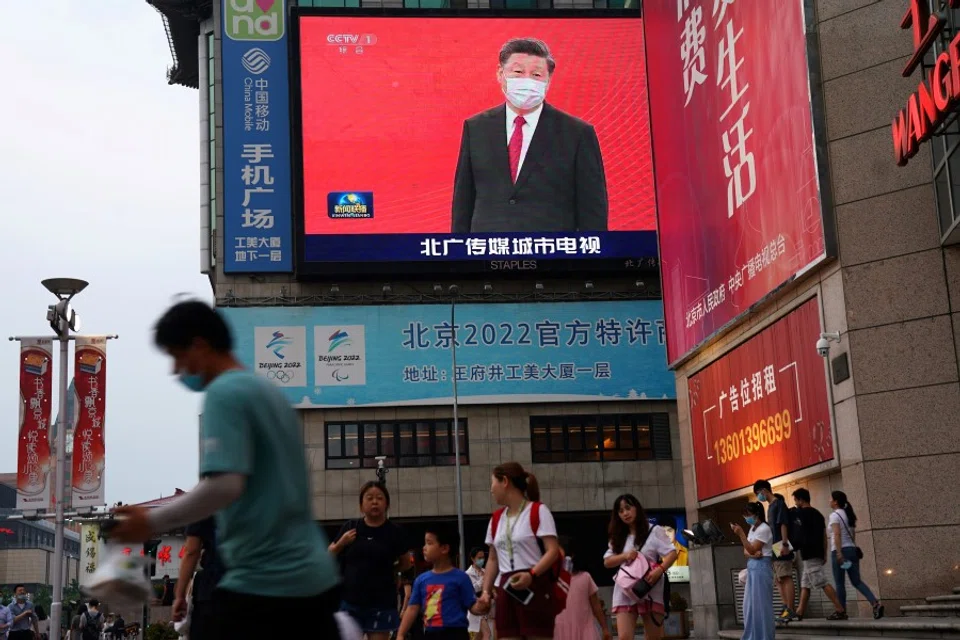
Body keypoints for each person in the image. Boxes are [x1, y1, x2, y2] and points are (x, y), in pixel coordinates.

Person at [109, 299, 343, 639]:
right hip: (313, 580)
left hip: (262, 583)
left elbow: (223, 486)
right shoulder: (270, 394)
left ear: (200, 345)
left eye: (177, 355)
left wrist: (150, 522)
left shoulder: (225, 393)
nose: (176, 370)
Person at [451, 37, 608, 234]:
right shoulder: (476, 128)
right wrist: (458, 254)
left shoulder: (577, 133)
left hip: (552, 254)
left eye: (536, 74)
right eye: (518, 72)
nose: (527, 80)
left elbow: (593, 209)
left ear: (548, 80)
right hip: (488, 252)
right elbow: (463, 201)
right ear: (501, 74)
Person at [479, 462, 561, 640]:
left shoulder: (538, 511)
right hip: (506, 586)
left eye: (493, 483)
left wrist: (531, 574)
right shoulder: (496, 519)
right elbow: (493, 559)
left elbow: (553, 551)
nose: (491, 489)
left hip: (535, 583)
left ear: (505, 482)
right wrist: (486, 592)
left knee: (537, 635)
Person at [330, 481, 413, 640]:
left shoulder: (395, 532)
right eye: (369, 498)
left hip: (381, 602)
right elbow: (329, 554)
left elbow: (406, 562)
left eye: (379, 498)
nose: (374, 502)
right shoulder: (350, 527)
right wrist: (341, 543)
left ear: (386, 504)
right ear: (361, 505)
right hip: (350, 601)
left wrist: (393, 572)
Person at [603, 494, 678, 640]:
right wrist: (625, 556)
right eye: (621, 511)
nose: (625, 513)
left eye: (628, 508)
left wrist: (659, 571)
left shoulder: (654, 531)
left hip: (650, 586)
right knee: (624, 637)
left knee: (653, 637)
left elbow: (672, 554)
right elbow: (607, 561)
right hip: (625, 589)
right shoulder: (618, 536)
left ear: (636, 508)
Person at [397, 527, 488, 640]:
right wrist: (400, 634)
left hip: (457, 634)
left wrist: (482, 606)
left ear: (444, 548)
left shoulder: (461, 578)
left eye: (429, 543)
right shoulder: (421, 580)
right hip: (431, 633)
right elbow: (412, 609)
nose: (424, 548)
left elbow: (472, 606)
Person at [790, 488, 845, 620]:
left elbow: (798, 535)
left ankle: (840, 609)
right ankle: (799, 612)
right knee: (805, 584)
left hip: (808, 553)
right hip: (817, 553)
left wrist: (789, 547)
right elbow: (823, 536)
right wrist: (824, 554)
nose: (796, 503)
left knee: (821, 581)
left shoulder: (801, 515)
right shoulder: (818, 514)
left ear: (801, 499)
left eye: (796, 500)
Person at [829, 491, 884, 619]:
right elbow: (853, 535)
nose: (829, 501)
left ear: (836, 501)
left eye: (830, 499)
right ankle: (874, 603)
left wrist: (838, 553)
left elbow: (837, 534)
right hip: (852, 551)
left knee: (839, 583)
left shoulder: (834, 515)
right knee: (856, 581)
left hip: (840, 552)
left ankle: (841, 611)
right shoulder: (849, 515)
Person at [753, 480, 797, 621]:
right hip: (774, 547)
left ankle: (790, 609)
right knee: (779, 579)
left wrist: (784, 544)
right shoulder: (771, 506)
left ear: (764, 490)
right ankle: (785, 607)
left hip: (780, 545)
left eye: (758, 494)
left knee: (786, 577)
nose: (759, 497)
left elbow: (783, 523)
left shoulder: (778, 504)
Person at [174, 515, 224, 639]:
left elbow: (191, 551)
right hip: (257, 587)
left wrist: (180, 596)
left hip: (213, 589)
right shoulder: (265, 499)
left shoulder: (206, 501)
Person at [731, 502, 774, 640]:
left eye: (748, 514)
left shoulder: (764, 529)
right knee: (749, 606)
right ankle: (751, 636)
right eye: (745, 515)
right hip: (753, 567)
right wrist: (752, 554)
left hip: (761, 568)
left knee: (762, 606)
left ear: (757, 514)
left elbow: (751, 548)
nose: (746, 517)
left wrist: (741, 534)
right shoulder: (752, 529)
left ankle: (764, 637)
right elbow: (747, 551)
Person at [554, 537, 611, 640]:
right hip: (560, 629)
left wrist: (605, 628)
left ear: (572, 555)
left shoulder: (585, 577)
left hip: (584, 629)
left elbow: (596, 606)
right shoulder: (551, 579)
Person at [465, 547, 492, 640]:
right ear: (472, 558)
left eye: (483, 557)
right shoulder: (467, 574)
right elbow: (472, 589)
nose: (482, 560)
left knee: (479, 636)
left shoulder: (485, 571)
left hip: (485, 607)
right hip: (475, 607)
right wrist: (482, 580)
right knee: (487, 633)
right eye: (479, 558)